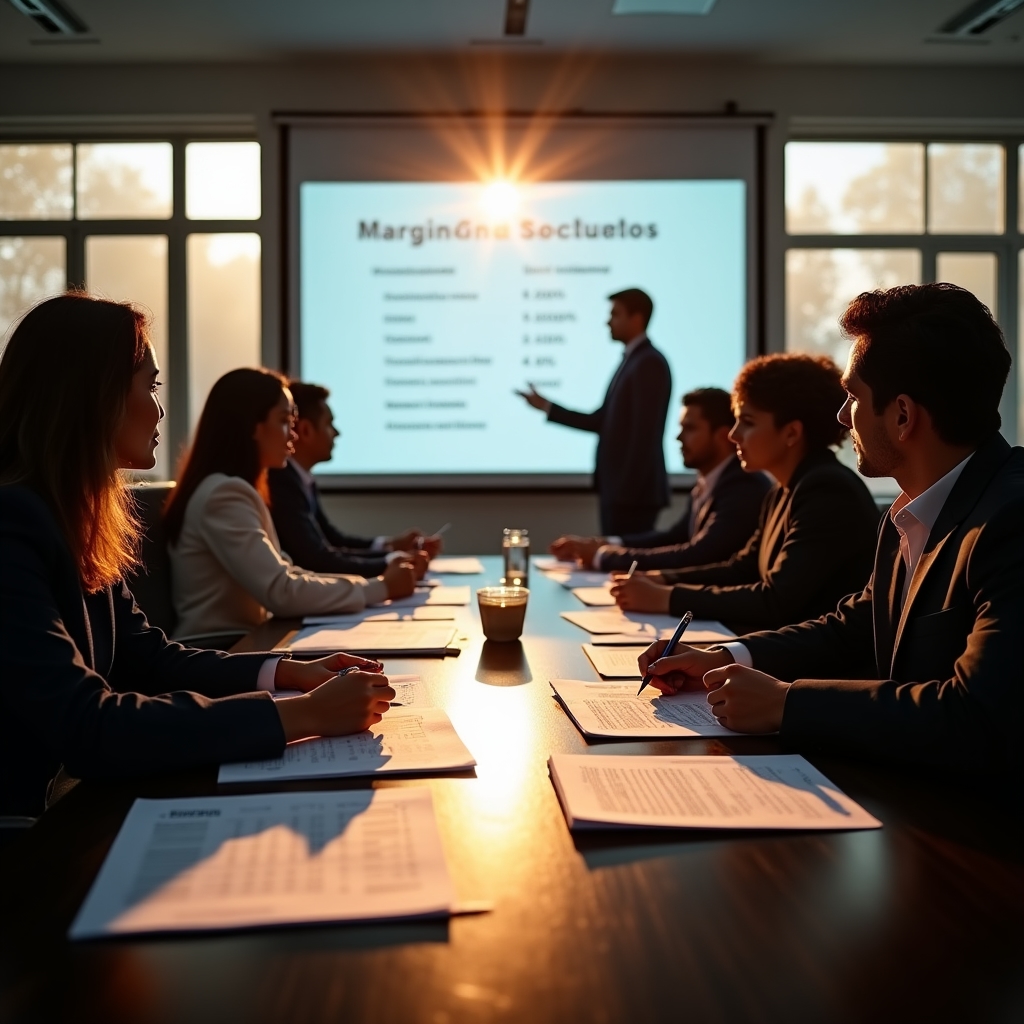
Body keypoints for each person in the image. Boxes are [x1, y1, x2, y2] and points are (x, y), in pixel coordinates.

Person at [0, 294, 397, 817]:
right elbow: (86, 726)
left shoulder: (75, 519)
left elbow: (150, 658)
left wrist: (285, 671)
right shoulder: (13, 522)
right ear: (95, 396)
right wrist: (300, 716)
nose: (161, 408)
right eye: (151, 386)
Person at [639, 284, 1023, 769]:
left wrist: (787, 703)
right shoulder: (910, 511)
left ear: (903, 415)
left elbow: (977, 715)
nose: (843, 417)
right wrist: (727, 656)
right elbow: (856, 626)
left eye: (853, 397)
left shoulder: (1011, 520)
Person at [611, 354, 879, 635]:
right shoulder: (783, 490)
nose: (733, 435)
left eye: (747, 422)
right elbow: (741, 569)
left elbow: (776, 601)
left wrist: (666, 597)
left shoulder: (826, 490)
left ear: (791, 433)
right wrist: (662, 579)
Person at [164, 368, 416, 640]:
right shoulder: (224, 494)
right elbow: (280, 591)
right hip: (221, 649)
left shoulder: (233, 489)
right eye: (285, 421)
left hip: (244, 642)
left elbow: (289, 574)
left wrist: (373, 586)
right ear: (252, 427)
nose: (293, 435)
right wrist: (380, 589)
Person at [549, 387, 770, 572]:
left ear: (723, 435)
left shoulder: (743, 487)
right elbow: (676, 537)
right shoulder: (713, 480)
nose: (679, 437)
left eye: (690, 428)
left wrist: (604, 557)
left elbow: (700, 555)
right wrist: (607, 544)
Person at [516, 288, 671, 535]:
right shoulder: (633, 361)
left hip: (631, 496)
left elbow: (645, 435)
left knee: (623, 565)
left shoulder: (648, 363)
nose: (608, 321)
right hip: (620, 493)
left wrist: (624, 492)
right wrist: (547, 406)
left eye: (615, 314)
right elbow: (602, 421)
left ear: (637, 318)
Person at [268, 381, 441, 577]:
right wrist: (393, 563)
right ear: (306, 430)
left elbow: (332, 540)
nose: (336, 433)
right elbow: (315, 558)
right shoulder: (281, 482)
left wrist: (391, 547)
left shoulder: (299, 478)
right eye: (328, 424)